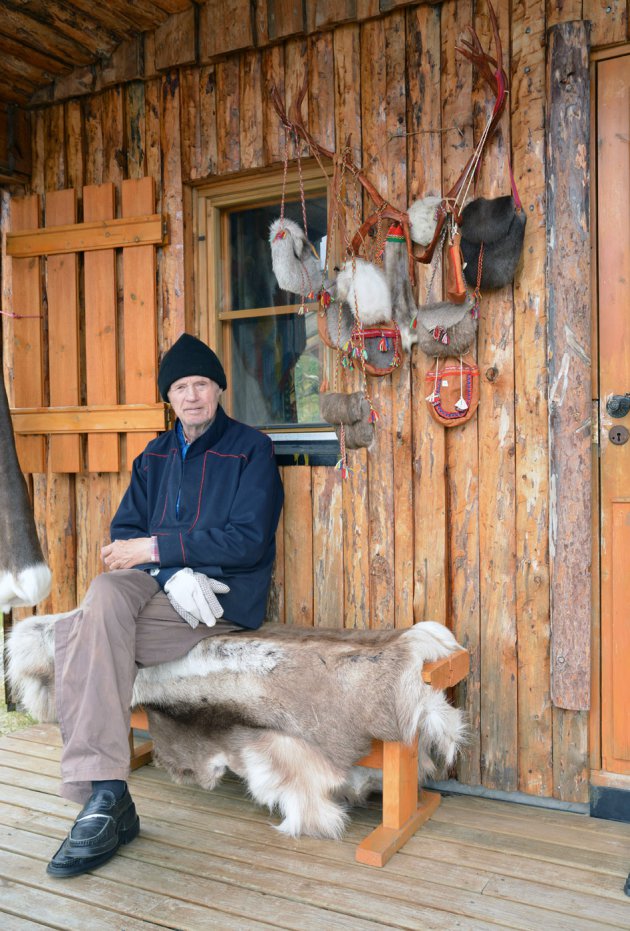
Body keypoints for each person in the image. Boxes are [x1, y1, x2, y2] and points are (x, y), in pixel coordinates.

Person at [47, 333, 284, 878]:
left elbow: (248, 538)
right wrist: (169, 568)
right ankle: (107, 790)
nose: (192, 395)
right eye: (180, 387)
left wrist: (160, 550)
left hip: (219, 595)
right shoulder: (152, 457)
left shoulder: (251, 449)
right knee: (104, 593)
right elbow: (123, 537)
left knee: (82, 635)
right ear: (168, 398)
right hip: (163, 583)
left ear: (219, 389)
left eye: (201, 383)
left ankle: (105, 799)